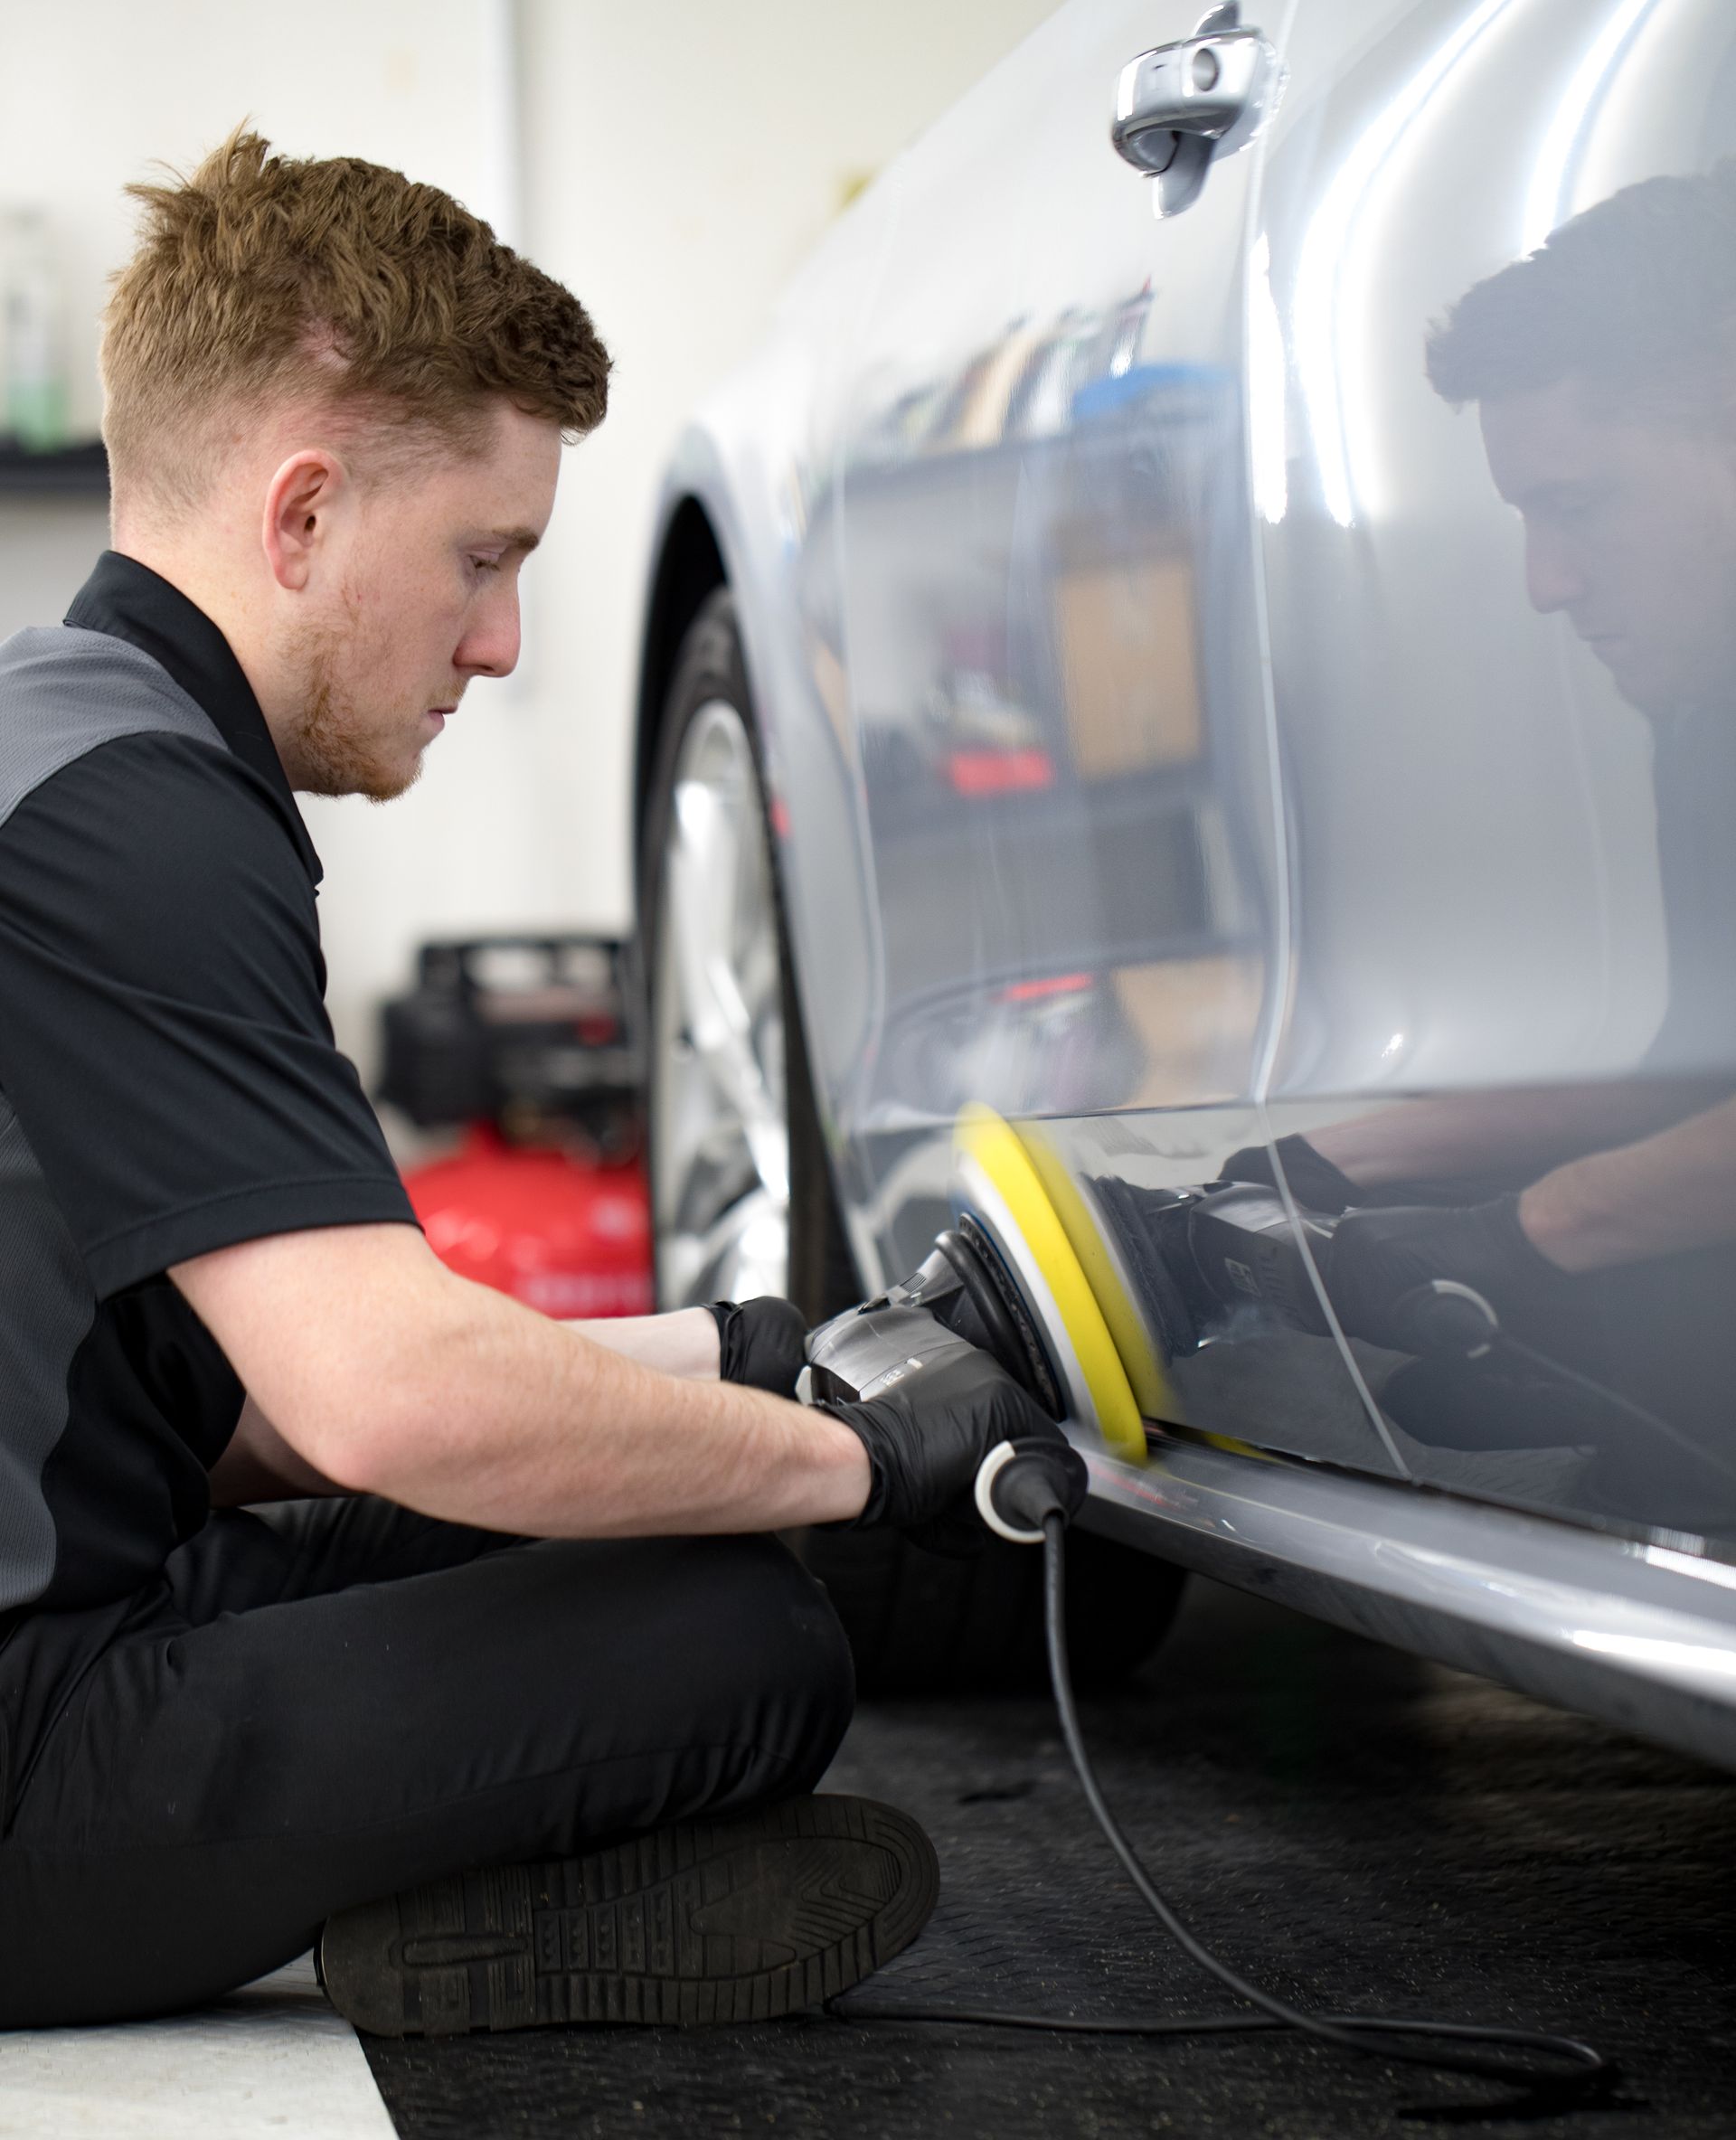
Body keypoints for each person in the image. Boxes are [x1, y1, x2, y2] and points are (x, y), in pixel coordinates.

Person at [0, 130, 1064, 2035]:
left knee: (640, 1501)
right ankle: (426, 1928)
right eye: (482, 560)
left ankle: (441, 1888)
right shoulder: (142, 827)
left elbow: (233, 1420)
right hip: (22, 1766)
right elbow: (384, 1406)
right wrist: (855, 1462)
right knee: (728, 1630)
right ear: (304, 512)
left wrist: (756, 1352)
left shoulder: (64, 750)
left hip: (72, 1614)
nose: (498, 641)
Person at [1227, 166, 1736, 1524]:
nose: (1546, 584)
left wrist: (1524, 1236)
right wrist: (1329, 1167)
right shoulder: (1706, 714)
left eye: (1581, 506)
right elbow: (1702, 1087)